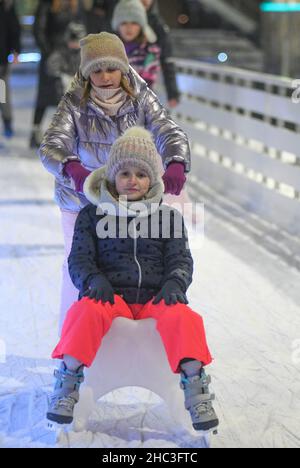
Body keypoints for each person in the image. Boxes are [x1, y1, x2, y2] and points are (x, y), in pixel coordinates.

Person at [46, 126, 219, 433]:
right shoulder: (93, 214)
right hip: (109, 296)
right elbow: (80, 258)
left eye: (140, 174)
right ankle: (68, 383)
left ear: (152, 178)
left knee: (185, 317)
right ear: (112, 176)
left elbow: (181, 259)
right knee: (83, 312)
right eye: (124, 173)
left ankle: (195, 389)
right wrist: (92, 280)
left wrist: (174, 283)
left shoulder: (168, 217)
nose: (132, 181)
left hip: (156, 298)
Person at [38, 32, 190, 333]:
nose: (105, 76)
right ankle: (70, 344)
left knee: (134, 270)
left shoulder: (140, 96)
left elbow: (167, 129)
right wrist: (71, 167)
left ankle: (133, 345)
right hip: (82, 203)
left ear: (122, 68)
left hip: (133, 202)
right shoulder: (74, 103)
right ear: (86, 72)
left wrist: (176, 160)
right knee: (79, 270)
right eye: (96, 69)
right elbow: (52, 144)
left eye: (111, 68)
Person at [30, 0, 81, 148]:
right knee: (45, 95)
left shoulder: (74, 5)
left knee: (70, 97)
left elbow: (79, 27)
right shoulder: (46, 5)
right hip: (51, 55)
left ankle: (70, 135)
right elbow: (38, 30)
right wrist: (48, 51)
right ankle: (35, 131)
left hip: (71, 57)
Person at [112, 0, 161, 90]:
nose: (129, 28)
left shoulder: (150, 52)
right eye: (124, 23)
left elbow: (147, 85)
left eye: (134, 23)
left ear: (141, 26)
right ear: (117, 25)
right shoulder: (109, 50)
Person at [47, 22, 86, 96]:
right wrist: (61, 75)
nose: (75, 44)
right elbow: (51, 67)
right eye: (72, 41)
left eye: (77, 41)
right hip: (65, 83)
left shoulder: (87, 52)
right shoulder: (60, 51)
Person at [0, 0, 21, 138]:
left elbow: (14, 28)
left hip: (1, 59)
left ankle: (7, 122)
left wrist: (16, 51)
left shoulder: (6, 7)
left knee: (2, 93)